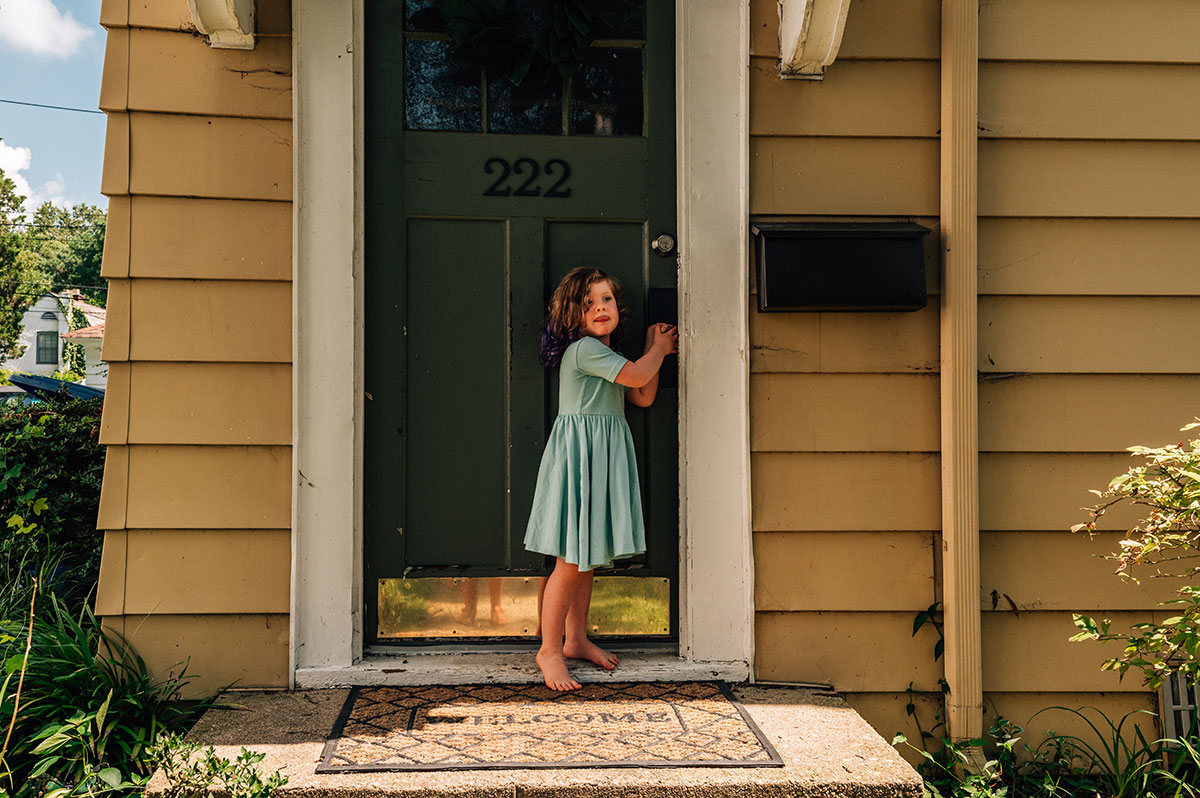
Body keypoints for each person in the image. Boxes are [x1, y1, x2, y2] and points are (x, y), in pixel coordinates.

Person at [523, 266, 678, 691]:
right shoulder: (584, 350)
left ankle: (575, 640)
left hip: (602, 457)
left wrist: (651, 347)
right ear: (573, 316)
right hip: (581, 458)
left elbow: (643, 395)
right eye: (588, 303)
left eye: (606, 299)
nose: (599, 308)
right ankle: (548, 650)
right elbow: (638, 376)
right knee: (570, 560)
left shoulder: (609, 358)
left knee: (585, 558)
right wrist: (660, 348)